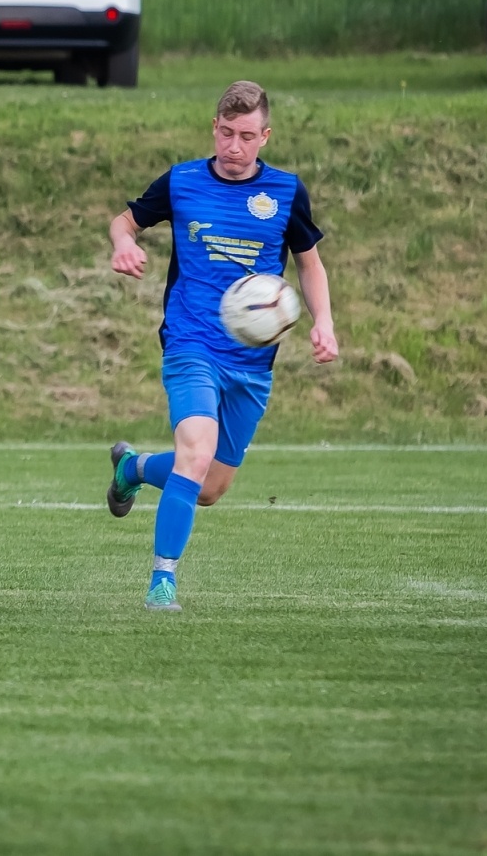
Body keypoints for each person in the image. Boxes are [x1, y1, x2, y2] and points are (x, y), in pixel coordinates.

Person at [104, 81, 339, 612]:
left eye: (248, 136)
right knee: (195, 451)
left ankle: (134, 469)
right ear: (214, 128)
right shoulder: (183, 181)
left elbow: (309, 263)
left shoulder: (285, 192)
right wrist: (123, 243)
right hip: (191, 344)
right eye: (227, 133)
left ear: (266, 136)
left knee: (209, 486)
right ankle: (162, 581)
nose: (235, 147)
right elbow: (126, 220)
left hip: (253, 363)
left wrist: (323, 322)